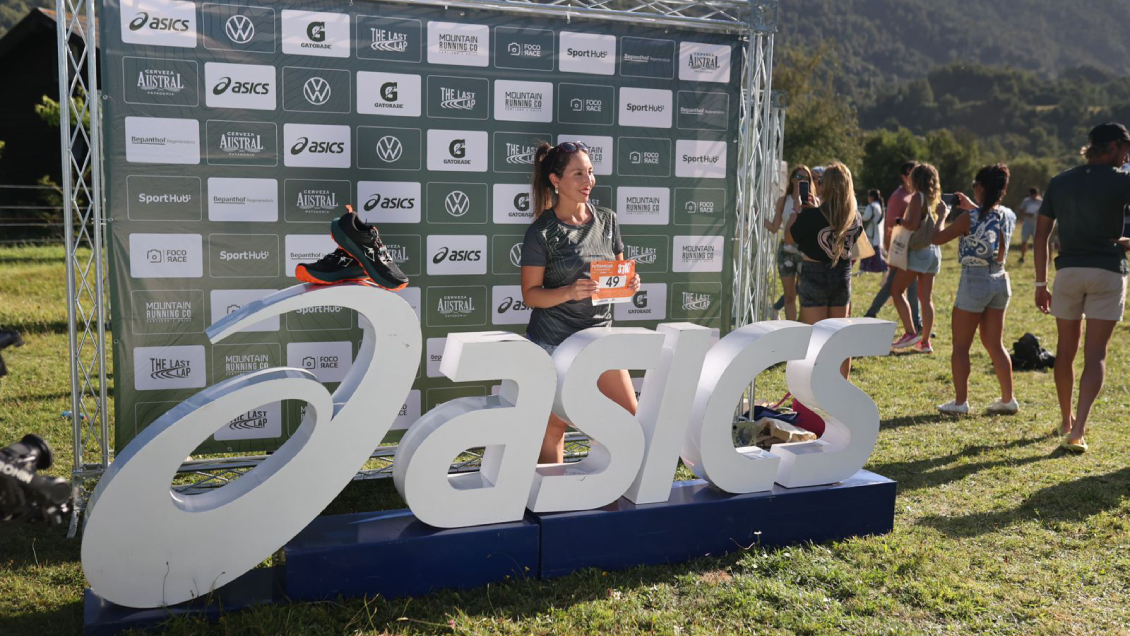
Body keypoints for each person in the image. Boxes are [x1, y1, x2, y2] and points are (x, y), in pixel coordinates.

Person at [521, 140, 642, 463]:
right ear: (555, 180)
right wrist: (569, 292)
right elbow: (530, 295)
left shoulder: (608, 220)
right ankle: (550, 492)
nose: (588, 180)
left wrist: (630, 283)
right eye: (578, 174)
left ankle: (613, 487)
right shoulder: (541, 232)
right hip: (553, 343)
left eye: (590, 172)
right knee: (553, 428)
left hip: (599, 340)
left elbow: (618, 277)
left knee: (630, 419)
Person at [1035, 122, 1130, 453]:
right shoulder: (1122, 180)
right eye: (1126, 149)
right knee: (1096, 354)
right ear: (1114, 146)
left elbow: (1042, 235)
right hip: (1108, 271)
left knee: (1066, 350)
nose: (1126, 156)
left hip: (1068, 272)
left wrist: (1040, 283)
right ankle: (1078, 431)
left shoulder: (1060, 181)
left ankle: (1065, 419)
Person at [931, 164, 1019, 414]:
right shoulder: (1009, 215)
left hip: (974, 280)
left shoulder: (968, 218)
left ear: (980, 187)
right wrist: (972, 206)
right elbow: (988, 221)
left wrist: (942, 215)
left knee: (961, 346)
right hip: (1000, 279)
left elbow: (936, 238)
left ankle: (961, 402)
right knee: (995, 344)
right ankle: (1008, 399)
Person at [785, 161, 864, 378]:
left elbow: (789, 237)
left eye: (820, 181)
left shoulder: (811, 216)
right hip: (842, 276)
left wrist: (797, 210)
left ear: (826, 185)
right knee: (839, 337)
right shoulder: (855, 218)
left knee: (814, 338)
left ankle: (813, 389)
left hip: (814, 275)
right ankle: (842, 386)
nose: (817, 184)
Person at [889, 163, 945, 353]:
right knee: (926, 298)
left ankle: (910, 332)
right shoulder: (933, 199)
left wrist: (899, 221)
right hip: (934, 251)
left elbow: (913, 225)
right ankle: (925, 342)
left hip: (919, 251)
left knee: (896, 290)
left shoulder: (916, 197)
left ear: (915, 179)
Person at [864, 161, 921, 333]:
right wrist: (891, 253)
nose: (915, 177)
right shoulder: (898, 197)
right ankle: (871, 314)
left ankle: (916, 323)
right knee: (895, 286)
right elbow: (890, 224)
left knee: (908, 286)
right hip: (901, 250)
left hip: (911, 250)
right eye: (912, 173)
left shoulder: (914, 195)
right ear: (904, 177)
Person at [765, 165, 816, 320]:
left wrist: (815, 208)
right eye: (799, 177)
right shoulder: (783, 201)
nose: (802, 181)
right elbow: (774, 228)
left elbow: (818, 227)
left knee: (805, 294)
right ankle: (792, 328)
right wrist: (757, 216)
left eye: (806, 178)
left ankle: (804, 327)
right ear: (792, 179)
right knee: (789, 296)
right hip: (786, 251)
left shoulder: (814, 201)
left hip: (806, 251)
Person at [858, 188, 887, 273]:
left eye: (869, 196)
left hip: (871, 233)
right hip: (877, 233)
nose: (868, 197)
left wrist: (859, 217)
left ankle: (885, 268)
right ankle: (862, 269)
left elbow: (865, 217)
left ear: (872, 197)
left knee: (875, 254)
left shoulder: (871, 206)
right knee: (868, 252)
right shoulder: (879, 205)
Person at [1016, 187, 1042, 264]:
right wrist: (1027, 214)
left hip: (1037, 225)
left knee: (1037, 242)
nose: (1033, 197)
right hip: (1027, 224)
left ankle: (1038, 257)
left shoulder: (1041, 201)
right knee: (1024, 241)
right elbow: (1021, 210)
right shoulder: (1026, 201)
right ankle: (1022, 257)